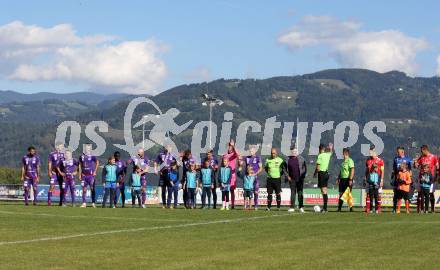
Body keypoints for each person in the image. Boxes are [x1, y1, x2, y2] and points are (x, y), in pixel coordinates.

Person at [414, 145, 438, 213]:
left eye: (422, 151)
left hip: (430, 178)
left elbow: (437, 166)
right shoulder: (421, 157)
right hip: (421, 178)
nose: (421, 152)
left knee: (431, 194)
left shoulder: (433, 157)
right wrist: (415, 162)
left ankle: (432, 209)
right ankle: (419, 209)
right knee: (420, 193)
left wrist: (436, 176)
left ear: (425, 150)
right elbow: (416, 166)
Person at [391, 146, 412, 213]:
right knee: (396, 195)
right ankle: (395, 209)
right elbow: (394, 169)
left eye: (399, 152)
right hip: (397, 179)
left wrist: (408, 177)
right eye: (397, 152)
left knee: (406, 197)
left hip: (405, 179)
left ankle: (407, 209)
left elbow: (410, 169)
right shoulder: (395, 159)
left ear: (402, 152)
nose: (397, 153)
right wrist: (393, 177)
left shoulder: (408, 159)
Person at [241, 145, 263, 210]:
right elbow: (241, 162)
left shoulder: (258, 158)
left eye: (252, 151)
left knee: (256, 192)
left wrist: (255, 174)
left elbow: (261, 168)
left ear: (255, 151)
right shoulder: (246, 158)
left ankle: (256, 205)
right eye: (250, 151)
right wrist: (240, 163)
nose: (251, 152)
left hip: (255, 178)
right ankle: (246, 206)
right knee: (247, 191)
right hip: (248, 178)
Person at [313, 143, 333, 213]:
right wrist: (331, 147)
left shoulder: (320, 156)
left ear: (319, 149)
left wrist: (315, 173)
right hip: (326, 174)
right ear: (324, 149)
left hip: (322, 173)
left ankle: (325, 208)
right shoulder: (327, 155)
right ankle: (325, 208)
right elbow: (331, 152)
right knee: (324, 191)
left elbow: (318, 167)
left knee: (323, 191)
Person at [286, 147, 307, 213]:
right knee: (293, 192)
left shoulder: (301, 159)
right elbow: (284, 169)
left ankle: (301, 207)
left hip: (300, 179)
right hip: (292, 179)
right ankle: (292, 207)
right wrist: (287, 176)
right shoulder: (287, 159)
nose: (294, 153)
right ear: (291, 152)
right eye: (293, 151)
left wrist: (303, 176)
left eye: (295, 151)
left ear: (297, 152)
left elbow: (305, 168)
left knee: (300, 193)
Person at [365, 147, 384, 213]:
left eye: (371, 152)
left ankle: (378, 208)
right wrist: (365, 178)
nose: (370, 153)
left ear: (375, 153)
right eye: (370, 152)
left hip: (377, 180)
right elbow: (367, 170)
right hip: (370, 180)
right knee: (368, 194)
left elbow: (382, 171)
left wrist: (381, 180)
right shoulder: (368, 160)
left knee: (378, 195)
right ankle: (368, 208)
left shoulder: (380, 160)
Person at [222, 140, 240, 209]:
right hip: (225, 174)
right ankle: (226, 204)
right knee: (225, 190)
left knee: (232, 190)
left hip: (232, 175)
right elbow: (222, 165)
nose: (229, 148)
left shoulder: (234, 154)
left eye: (230, 146)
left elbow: (237, 154)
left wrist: (233, 145)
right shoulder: (225, 155)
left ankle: (232, 204)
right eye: (229, 146)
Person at [337, 148, 355, 212]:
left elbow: (352, 170)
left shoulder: (350, 161)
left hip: (347, 179)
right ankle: (339, 208)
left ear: (346, 153)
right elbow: (341, 171)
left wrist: (350, 179)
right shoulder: (343, 162)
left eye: (343, 153)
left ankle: (351, 208)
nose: (343, 154)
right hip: (342, 180)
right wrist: (338, 178)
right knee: (341, 194)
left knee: (348, 194)